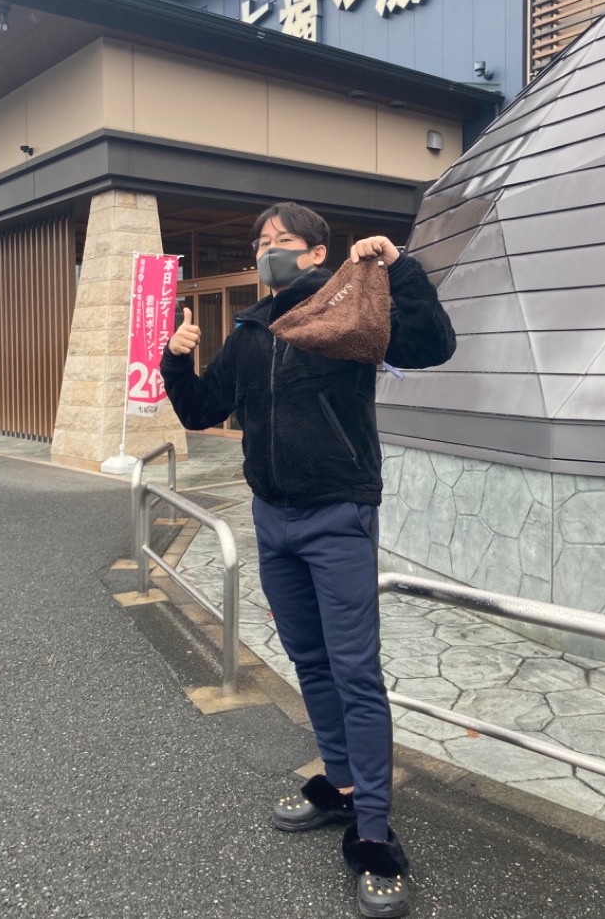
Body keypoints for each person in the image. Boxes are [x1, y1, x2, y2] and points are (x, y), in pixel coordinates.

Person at [160, 201, 455, 919]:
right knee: (311, 662)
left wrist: (399, 266)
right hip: (273, 517)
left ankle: (375, 834)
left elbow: (431, 345)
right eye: (261, 242)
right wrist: (175, 359)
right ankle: (342, 786)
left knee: (355, 670)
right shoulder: (253, 330)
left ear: (318, 253)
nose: (268, 251)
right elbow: (203, 411)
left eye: (281, 241)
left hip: (337, 515)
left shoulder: (349, 312)